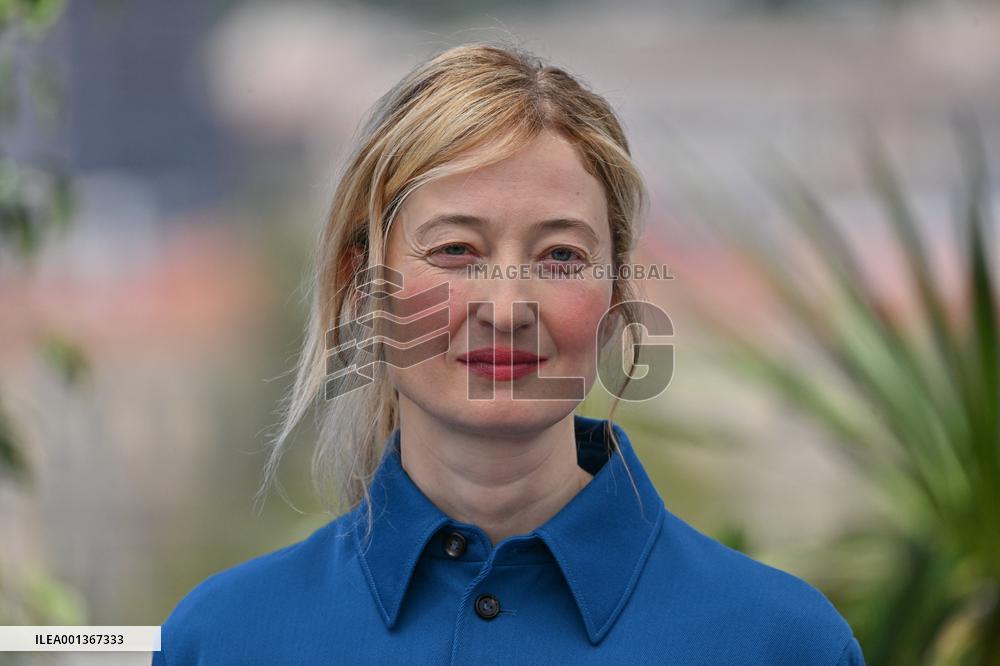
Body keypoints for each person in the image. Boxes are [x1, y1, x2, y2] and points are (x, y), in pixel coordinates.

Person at [153, 42, 866, 665]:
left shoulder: (781, 644)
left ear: (617, 297)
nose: (504, 308)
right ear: (359, 284)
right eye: (456, 250)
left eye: (560, 256)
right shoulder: (223, 639)